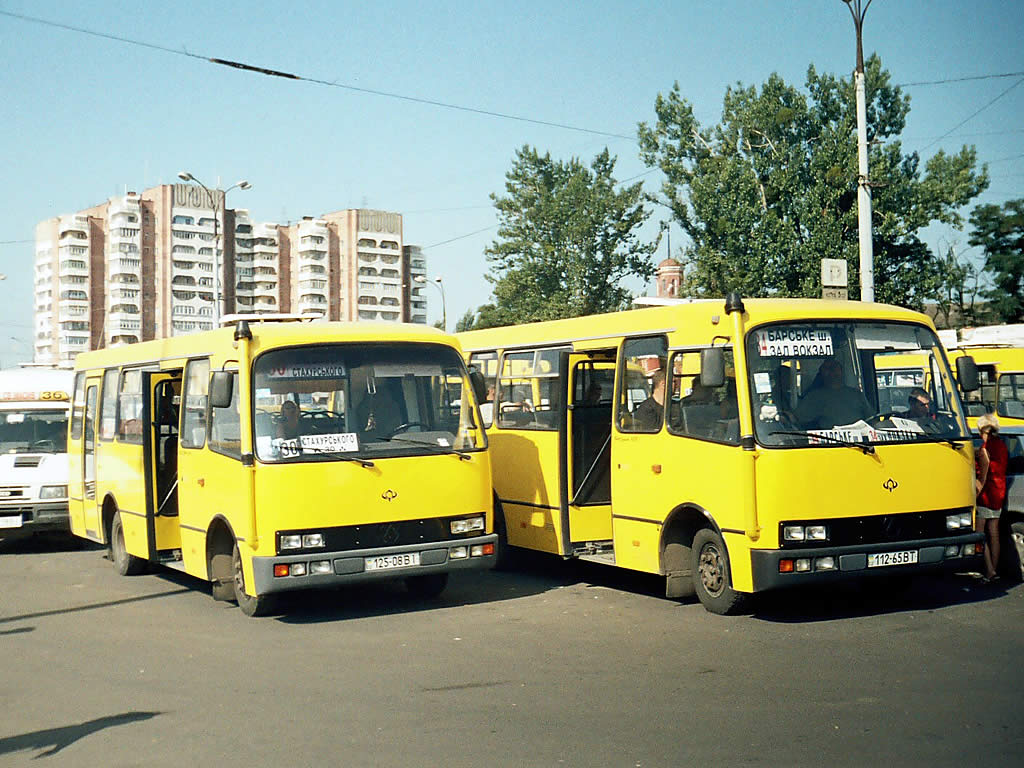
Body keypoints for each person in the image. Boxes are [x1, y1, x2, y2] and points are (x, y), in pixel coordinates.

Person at [794, 358, 873, 429]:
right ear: (821, 373)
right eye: (827, 369)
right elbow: (797, 418)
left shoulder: (856, 394)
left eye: (835, 368)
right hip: (831, 442)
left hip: (861, 440)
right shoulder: (814, 396)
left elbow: (871, 418)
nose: (832, 372)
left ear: (841, 371)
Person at [975, 412, 1008, 582]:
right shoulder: (1002, 445)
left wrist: (976, 492)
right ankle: (994, 568)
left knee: (980, 533)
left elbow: (983, 475)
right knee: (994, 533)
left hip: (986, 495)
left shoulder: (984, 450)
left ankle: (988, 570)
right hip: (999, 494)